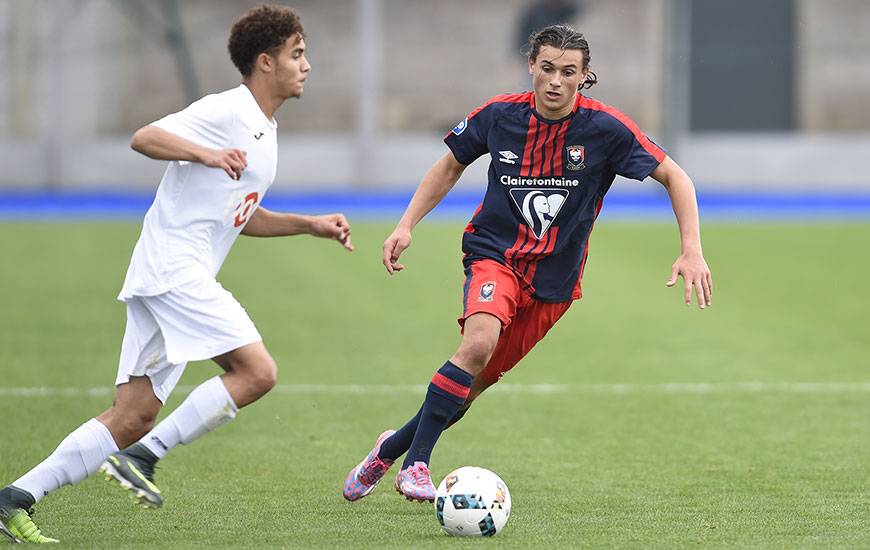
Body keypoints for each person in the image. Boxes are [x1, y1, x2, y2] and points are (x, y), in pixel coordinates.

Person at [0, 5, 353, 544]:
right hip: (175, 271)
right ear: (266, 62)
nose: (307, 65)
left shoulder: (264, 129)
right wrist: (207, 154)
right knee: (257, 372)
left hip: (164, 274)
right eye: (297, 54)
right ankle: (145, 458)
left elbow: (242, 215)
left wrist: (310, 225)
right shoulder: (227, 111)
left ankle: (14, 497)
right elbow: (144, 137)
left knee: (133, 413)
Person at [343, 24, 712, 503]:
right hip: (493, 254)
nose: (556, 80)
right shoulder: (499, 116)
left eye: (568, 72)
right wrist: (405, 224)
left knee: (469, 387)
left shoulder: (605, 128)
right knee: (476, 345)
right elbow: (450, 164)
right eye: (547, 68)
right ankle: (416, 464)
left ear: (584, 76)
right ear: (531, 67)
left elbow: (675, 175)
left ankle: (389, 448)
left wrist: (692, 248)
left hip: (554, 284)